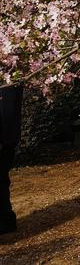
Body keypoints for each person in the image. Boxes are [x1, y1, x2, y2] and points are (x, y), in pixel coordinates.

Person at [0, 84, 23, 234]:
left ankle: (5, 221)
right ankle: (6, 220)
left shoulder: (10, 79)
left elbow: (9, 112)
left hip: (4, 139)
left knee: (1, 180)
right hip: (7, 138)